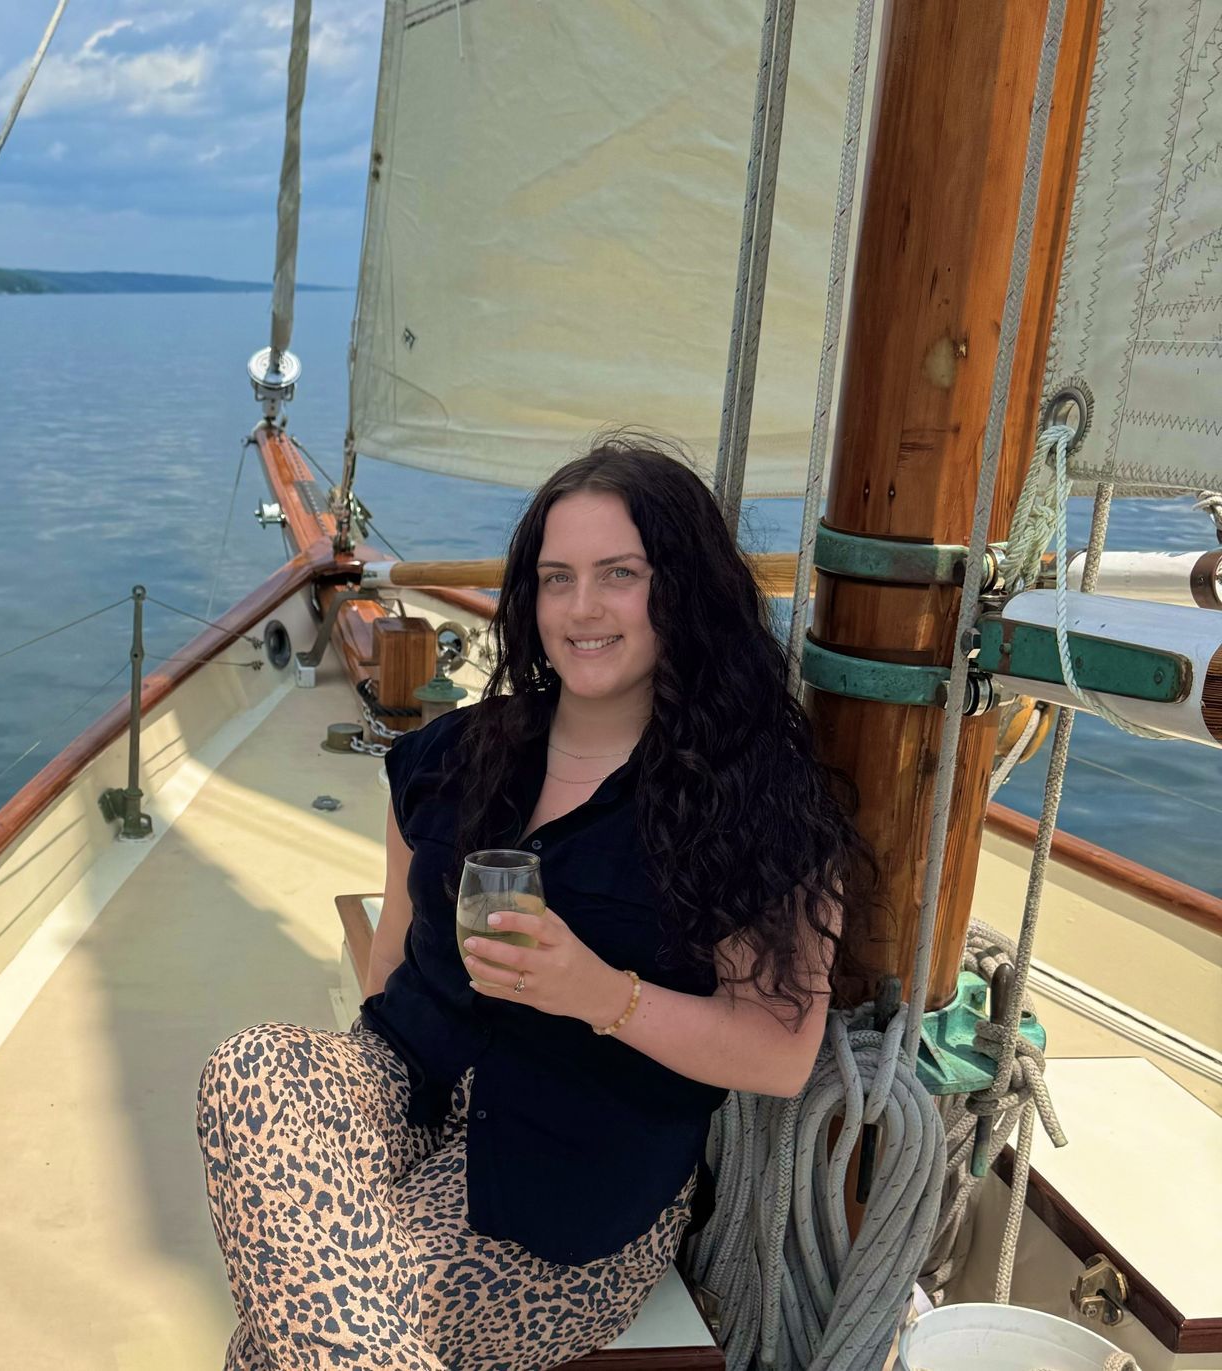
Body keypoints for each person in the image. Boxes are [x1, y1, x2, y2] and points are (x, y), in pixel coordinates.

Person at [195, 434, 873, 1370]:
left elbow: (779, 1053)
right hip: (401, 1087)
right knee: (251, 1066)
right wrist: (349, 1163)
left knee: (267, 1349)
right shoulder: (448, 756)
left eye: (618, 574)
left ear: (682, 588)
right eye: (558, 579)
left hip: (574, 1180)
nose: (581, 607)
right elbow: (393, 957)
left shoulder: (751, 801)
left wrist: (600, 994)